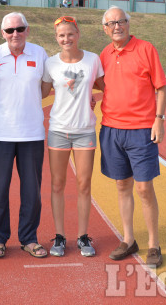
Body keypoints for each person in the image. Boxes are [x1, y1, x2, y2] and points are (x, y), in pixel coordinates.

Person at [99, 6, 166, 267]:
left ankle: (154, 244)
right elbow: (100, 83)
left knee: (144, 188)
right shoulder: (104, 54)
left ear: (129, 24)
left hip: (141, 130)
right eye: (111, 23)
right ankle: (129, 240)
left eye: (121, 21)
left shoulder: (146, 49)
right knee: (122, 186)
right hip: (111, 129)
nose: (117, 26)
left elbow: (161, 87)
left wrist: (159, 121)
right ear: (105, 29)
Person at [0, 12, 49, 259]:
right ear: (2, 33)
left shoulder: (39, 53)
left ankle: (29, 239)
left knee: (32, 191)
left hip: (31, 134)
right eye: (10, 30)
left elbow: (45, 90)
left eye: (20, 29)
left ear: (27, 30)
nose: (15, 34)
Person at [41, 16, 104, 257]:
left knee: (84, 185)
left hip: (85, 130)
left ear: (78, 35)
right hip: (58, 129)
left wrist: (91, 95)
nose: (66, 39)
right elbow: (42, 93)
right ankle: (59, 236)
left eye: (70, 34)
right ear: (56, 39)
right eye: (61, 36)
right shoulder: (51, 63)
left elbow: (102, 85)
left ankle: (83, 237)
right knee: (57, 184)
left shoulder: (92, 60)